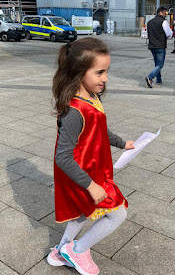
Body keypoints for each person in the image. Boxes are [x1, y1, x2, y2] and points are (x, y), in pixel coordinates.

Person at [47, 37, 135, 275]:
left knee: (82, 212)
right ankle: (78, 250)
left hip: (92, 170)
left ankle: (60, 251)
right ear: (78, 72)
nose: (105, 78)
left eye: (107, 71)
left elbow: (100, 129)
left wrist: (121, 143)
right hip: (82, 175)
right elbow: (62, 157)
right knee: (117, 215)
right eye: (99, 72)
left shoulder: (91, 98)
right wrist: (90, 185)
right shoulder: (74, 111)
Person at [145, 6, 173, 88]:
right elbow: (169, 34)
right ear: (160, 12)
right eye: (165, 13)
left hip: (152, 46)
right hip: (160, 46)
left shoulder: (149, 22)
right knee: (160, 65)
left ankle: (159, 79)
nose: (166, 14)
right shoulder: (163, 22)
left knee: (157, 63)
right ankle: (150, 77)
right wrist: (171, 35)